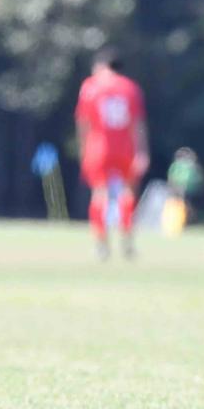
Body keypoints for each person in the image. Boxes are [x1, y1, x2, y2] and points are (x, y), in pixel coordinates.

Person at [75, 48, 149, 260]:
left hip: (98, 147)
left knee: (100, 194)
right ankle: (127, 242)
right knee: (127, 193)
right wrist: (142, 151)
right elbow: (138, 124)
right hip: (126, 147)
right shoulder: (131, 88)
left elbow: (83, 123)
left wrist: (83, 149)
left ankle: (101, 245)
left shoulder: (90, 87)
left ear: (102, 65)